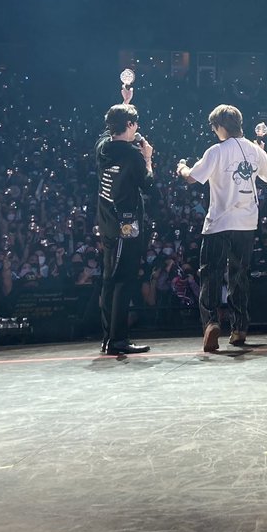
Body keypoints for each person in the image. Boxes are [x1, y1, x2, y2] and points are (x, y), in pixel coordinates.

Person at [176, 104, 267, 352]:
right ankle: (239, 328)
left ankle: (210, 324)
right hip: (247, 223)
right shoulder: (254, 150)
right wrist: (259, 154)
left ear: (220, 126)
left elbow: (191, 177)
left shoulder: (216, 151)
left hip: (219, 223)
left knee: (211, 273)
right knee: (239, 275)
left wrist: (182, 167)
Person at [96, 96, 154, 355]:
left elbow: (112, 130)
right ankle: (118, 340)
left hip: (107, 222)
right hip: (126, 226)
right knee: (123, 281)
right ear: (129, 124)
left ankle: (109, 337)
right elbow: (148, 185)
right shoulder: (133, 155)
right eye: (135, 124)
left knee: (110, 280)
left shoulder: (102, 147)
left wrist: (124, 101)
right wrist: (149, 159)